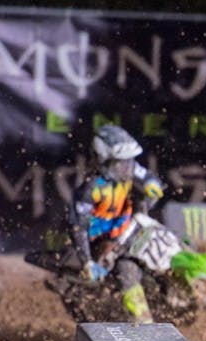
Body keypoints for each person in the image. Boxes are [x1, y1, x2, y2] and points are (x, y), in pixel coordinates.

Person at [67, 124, 165, 324]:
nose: (128, 167)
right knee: (127, 272)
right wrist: (87, 262)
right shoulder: (90, 189)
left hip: (130, 232)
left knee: (173, 242)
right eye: (122, 162)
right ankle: (145, 325)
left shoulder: (127, 170)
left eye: (129, 161)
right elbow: (78, 228)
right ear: (105, 161)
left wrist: (152, 184)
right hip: (103, 245)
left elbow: (147, 176)